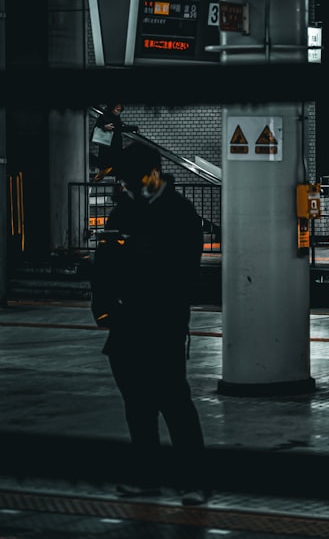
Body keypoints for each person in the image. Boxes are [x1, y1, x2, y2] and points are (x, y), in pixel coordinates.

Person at [90, 142, 211, 506]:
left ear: (153, 175)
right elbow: (105, 261)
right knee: (137, 404)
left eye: (129, 180)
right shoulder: (125, 210)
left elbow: (182, 274)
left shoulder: (180, 213)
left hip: (162, 321)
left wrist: (136, 255)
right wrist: (103, 306)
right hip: (126, 322)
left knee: (173, 400)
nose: (124, 187)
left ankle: (194, 480)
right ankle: (148, 477)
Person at [92, 101, 138, 182]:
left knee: (116, 166)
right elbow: (96, 129)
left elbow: (119, 128)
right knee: (106, 168)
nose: (118, 112)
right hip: (107, 147)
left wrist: (133, 128)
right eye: (117, 110)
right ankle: (95, 182)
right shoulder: (105, 116)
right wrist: (104, 127)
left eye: (120, 110)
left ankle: (116, 185)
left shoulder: (116, 117)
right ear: (112, 108)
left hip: (114, 146)